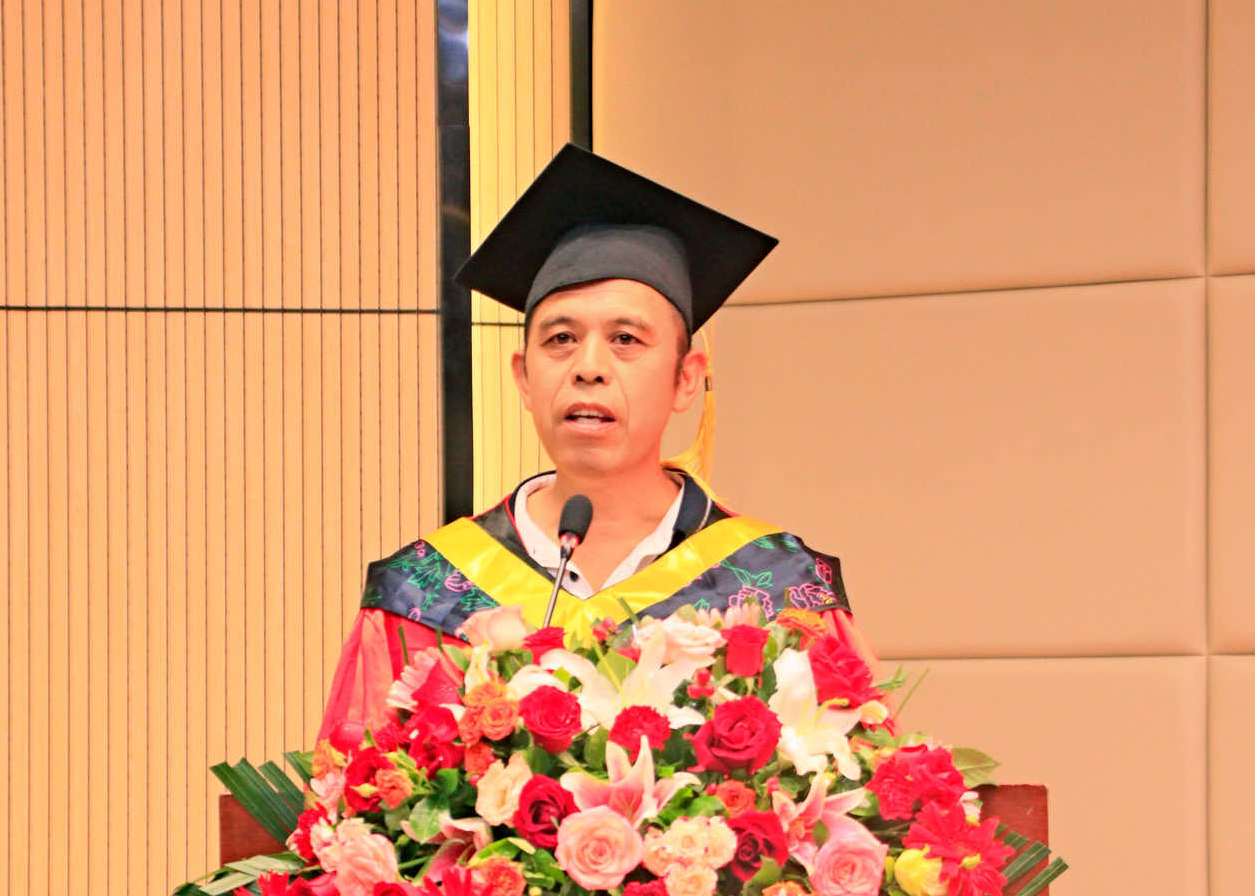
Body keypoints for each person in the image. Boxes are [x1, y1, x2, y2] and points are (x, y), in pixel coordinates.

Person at [316, 142, 896, 750]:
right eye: (560, 339)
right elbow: (351, 788)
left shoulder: (781, 592)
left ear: (686, 379)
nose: (588, 367)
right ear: (523, 376)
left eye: (625, 339)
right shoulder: (422, 596)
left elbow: (869, 785)